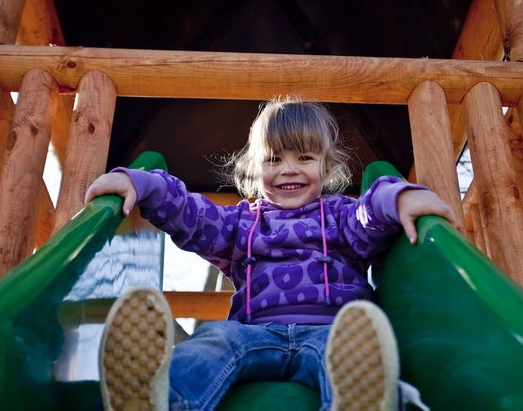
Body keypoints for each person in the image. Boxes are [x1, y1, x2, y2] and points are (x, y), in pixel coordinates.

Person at [85, 97, 455, 411]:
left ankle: (360, 401)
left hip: (331, 331)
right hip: (252, 334)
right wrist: (142, 183)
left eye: (304, 157)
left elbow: (370, 211)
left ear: (326, 166)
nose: (288, 170)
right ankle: (159, 399)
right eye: (274, 159)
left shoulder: (342, 216)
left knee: (353, 355)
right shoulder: (240, 224)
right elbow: (194, 217)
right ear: (255, 169)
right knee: (212, 343)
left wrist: (399, 197)